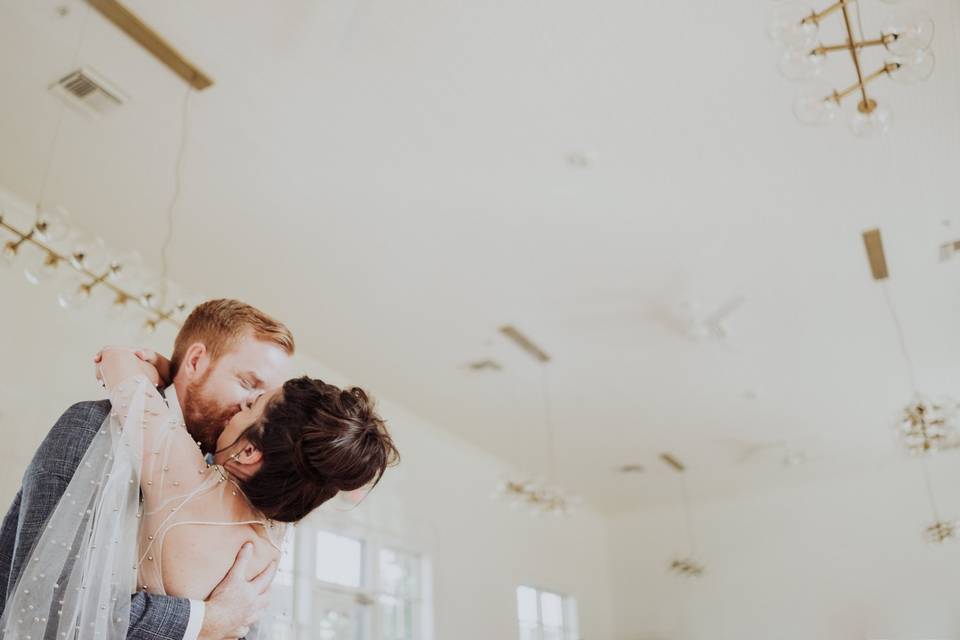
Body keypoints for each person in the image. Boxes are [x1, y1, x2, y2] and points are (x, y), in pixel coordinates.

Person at [0, 299, 296, 639]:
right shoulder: (90, 427)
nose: (253, 407)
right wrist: (204, 619)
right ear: (196, 361)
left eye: (264, 399)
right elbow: (43, 594)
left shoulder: (235, 474)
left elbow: (244, 615)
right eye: (248, 384)